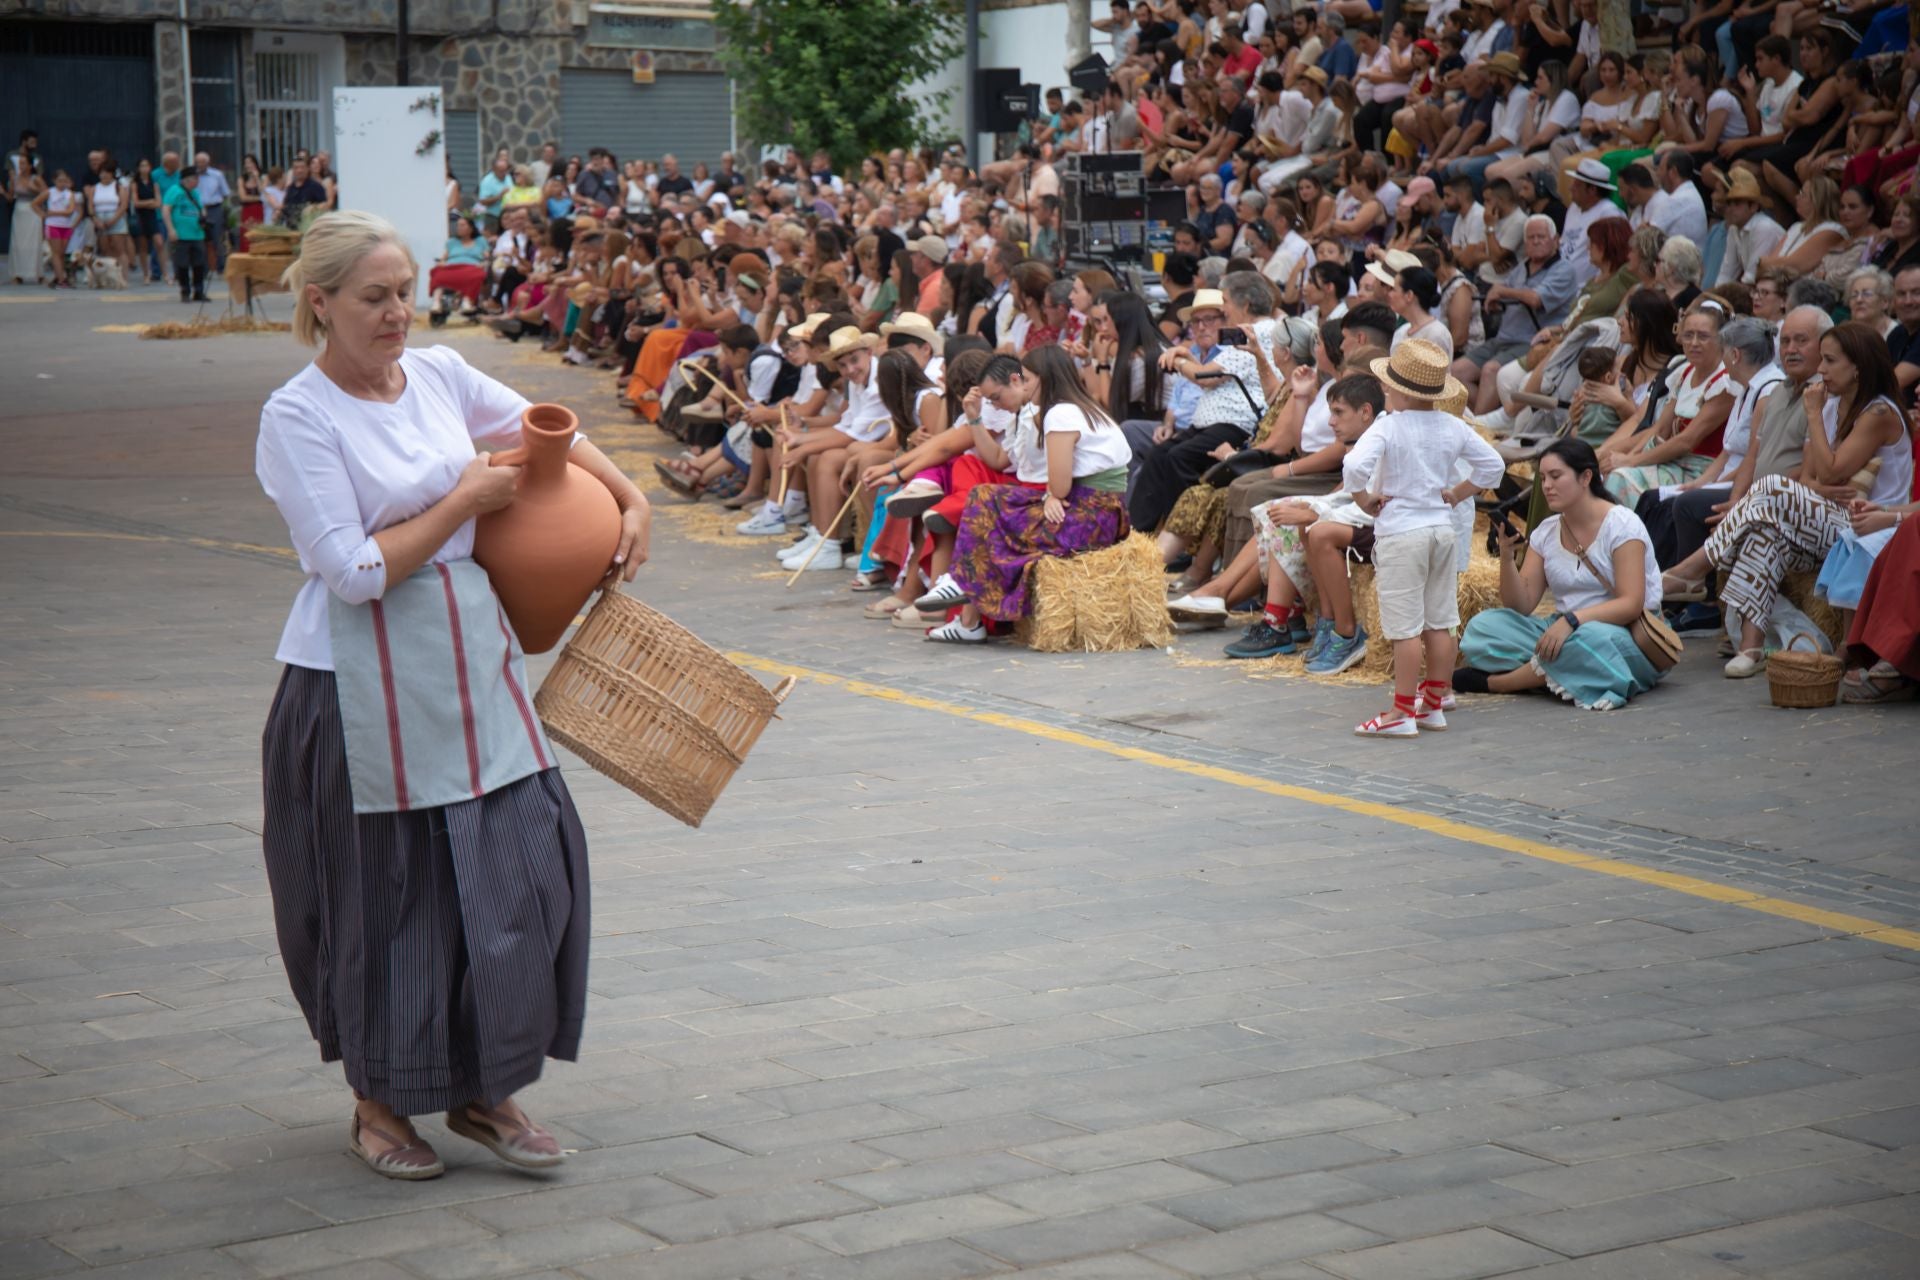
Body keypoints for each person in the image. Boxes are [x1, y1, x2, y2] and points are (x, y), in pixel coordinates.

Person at [255, 209, 647, 1181]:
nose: (398, 313)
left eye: (405, 292)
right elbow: (348, 568)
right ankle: (380, 1102)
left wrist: (631, 497)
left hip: (472, 664)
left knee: (520, 874)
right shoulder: (298, 414)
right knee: (385, 898)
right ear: (322, 303)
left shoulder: (434, 374)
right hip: (355, 684)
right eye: (375, 297)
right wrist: (463, 504)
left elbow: (542, 431)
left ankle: (486, 1084)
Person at [1703, 322, 1912, 678]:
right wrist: (1821, 485)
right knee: (1764, 532)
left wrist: (1813, 416)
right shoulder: (1831, 407)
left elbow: (1829, 473)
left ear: (1858, 366)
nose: (1821, 370)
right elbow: (1812, 479)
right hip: (1831, 518)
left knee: (1771, 487)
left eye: (1830, 361)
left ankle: (1698, 564)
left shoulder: (1878, 413)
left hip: (1869, 524)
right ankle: (1750, 647)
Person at [913, 347, 1134, 643]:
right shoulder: (1079, 407)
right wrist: (975, 420)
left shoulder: (1059, 414)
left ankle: (961, 584)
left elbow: (1060, 485)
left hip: (1089, 516)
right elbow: (1001, 461)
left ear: (1045, 378)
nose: (1024, 384)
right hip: (1099, 511)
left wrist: (1053, 495)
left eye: (1027, 378)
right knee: (985, 499)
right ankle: (965, 601)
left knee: (986, 505)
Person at [1341, 341, 1505, 736]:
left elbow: (1353, 466)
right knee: (1441, 620)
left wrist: (1365, 500)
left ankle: (1401, 713)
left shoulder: (1388, 426)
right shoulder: (1452, 425)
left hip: (1402, 532)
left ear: (1395, 390)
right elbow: (1493, 466)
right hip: (1440, 530)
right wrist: (1458, 493)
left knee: (1406, 628)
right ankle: (1433, 703)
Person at [1457, 439, 1668, 710]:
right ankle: (1562, 673)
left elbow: (1631, 603)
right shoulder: (1546, 531)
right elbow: (1521, 605)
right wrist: (1507, 558)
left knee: (1587, 643)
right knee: (1482, 629)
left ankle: (1499, 683)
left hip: (1620, 632)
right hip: (1563, 629)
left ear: (1586, 477)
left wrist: (1571, 621)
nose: (1546, 486)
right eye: (1543, 478)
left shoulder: (1622, 525)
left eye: (1556, 476)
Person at [160, 166, 209, 302]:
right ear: (187, 180)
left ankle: (199, 291)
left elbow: (200, 208)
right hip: (181, 234)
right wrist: (171, 229)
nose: (198, 181)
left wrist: (204, 217)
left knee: (199, 264)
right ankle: (185, 291)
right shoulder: (175, 191)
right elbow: (166, 210)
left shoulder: (195, 193)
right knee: (182, 264)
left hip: (197, 233)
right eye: (195, 178)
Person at [32, 170, 81, 289]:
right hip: (53, 225)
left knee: (62, 253)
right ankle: (61, 279)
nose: (62, 183)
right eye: (60, 181)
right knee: (56, 252)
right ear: (54, 181)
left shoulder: (70, 194)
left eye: (64, 181)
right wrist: (43, 214)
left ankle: (58, 276)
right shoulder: (50, 192)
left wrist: (53, 212)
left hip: (66, 225)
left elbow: (70, 211)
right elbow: (34, 203)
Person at [7, 129, 44, 284]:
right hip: (19, 211)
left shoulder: (35, 178)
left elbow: (46, 193)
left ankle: (37, 273)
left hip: (33, 210)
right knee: (18, 242)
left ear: (30, 165)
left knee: (35, 241)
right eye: (19, 164)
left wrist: (31, 188)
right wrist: (3, 191)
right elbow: (10, 197)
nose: (21, 166)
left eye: (23, 164)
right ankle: (18, 274)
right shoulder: (14, 180)